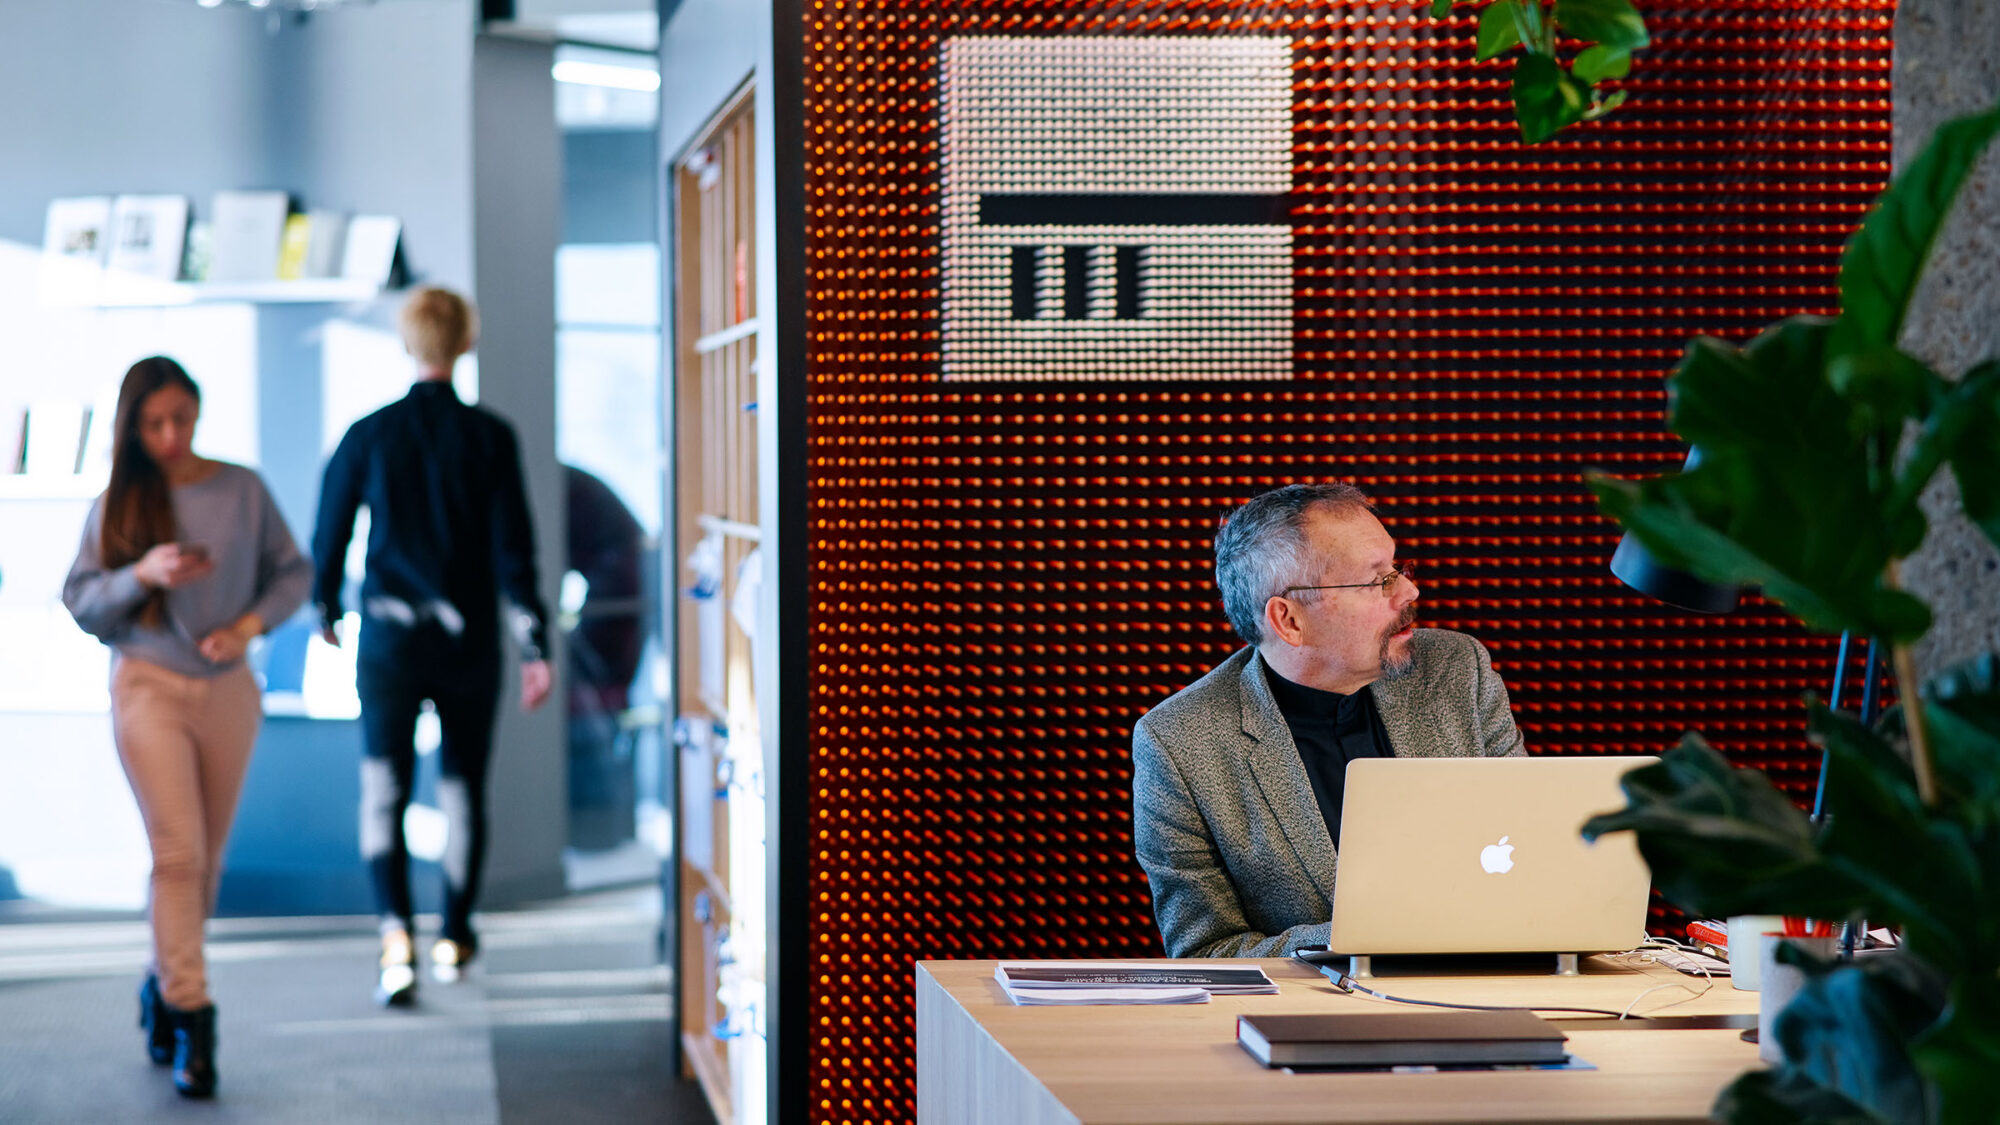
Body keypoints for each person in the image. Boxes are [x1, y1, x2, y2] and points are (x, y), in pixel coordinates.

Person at [1131, 482, 1525, 958]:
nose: (1408, 590)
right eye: (1378, 580)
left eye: (1397, 568)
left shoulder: (1457, 669)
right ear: (1289, 621)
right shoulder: (1180, 741)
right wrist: (1361, 938)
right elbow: (1205, 953)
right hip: (1317, 1018)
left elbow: (1530, 844)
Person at [63, 356, 312, 1098]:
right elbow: (80, 602)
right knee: (176, 853)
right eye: (156, 423)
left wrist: (245, 626)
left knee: (205, 864)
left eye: (183, 417)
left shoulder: (242, 489)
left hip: (228, 686)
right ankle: (193, 1018)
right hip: (148, 684)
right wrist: (143, 573)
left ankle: (160, 979)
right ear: (134, 428)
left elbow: (293, 574)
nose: (172, 434)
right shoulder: (119, 502)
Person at [311, 286, 552, 1007]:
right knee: (463, 789)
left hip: (387, 641)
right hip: (470, 641)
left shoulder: (369, 434)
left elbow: (332, 531)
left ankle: (394, 937)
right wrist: (534, 640)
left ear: (407, 342)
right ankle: (454, 933)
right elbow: (517, 550)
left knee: (383, 790)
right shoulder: (492, 437)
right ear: (465, 341)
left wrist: (325, 606)